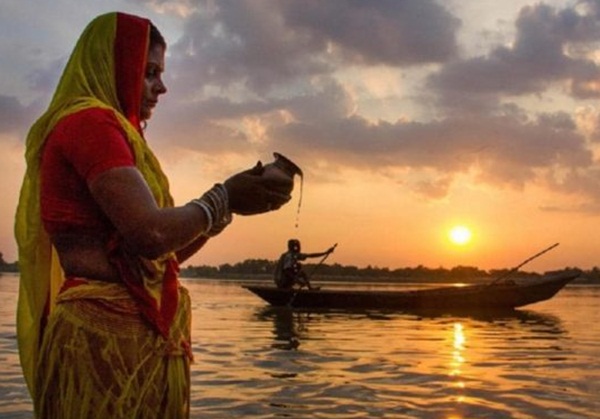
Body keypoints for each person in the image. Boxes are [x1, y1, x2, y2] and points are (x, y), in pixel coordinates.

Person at [14, 12, 293, 418]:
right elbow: (151, 235)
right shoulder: (89, 123)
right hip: (103, 343)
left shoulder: (121, 135)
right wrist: (222, 197)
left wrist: (226, 207)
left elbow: (160, 257)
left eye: (159, 73)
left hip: (138, 339)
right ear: (114, 67)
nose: (161, 87)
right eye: (148, 73)